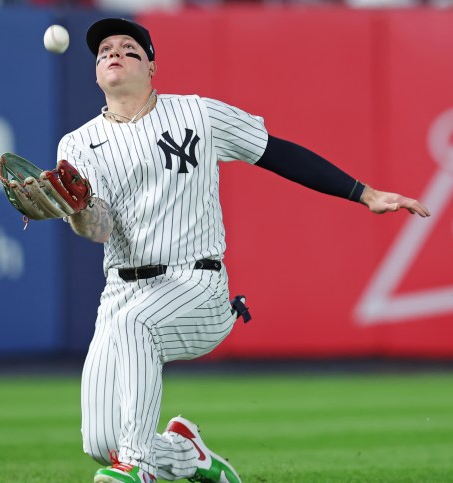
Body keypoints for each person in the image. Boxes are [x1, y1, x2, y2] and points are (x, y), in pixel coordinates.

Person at [58, 18, 430, 483]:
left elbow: (275, 152)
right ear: (96, 73)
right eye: (104, 50)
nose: (114, 53)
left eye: (130, 48)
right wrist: (75, 210)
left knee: (139, 333)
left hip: (197, 284)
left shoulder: (197, 114)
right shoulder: (77, 144)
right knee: (99, 443)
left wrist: (365, 193)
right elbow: (97, 230)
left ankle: (140, 469)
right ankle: (185, 453)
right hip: (121, 293)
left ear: (152, 65)